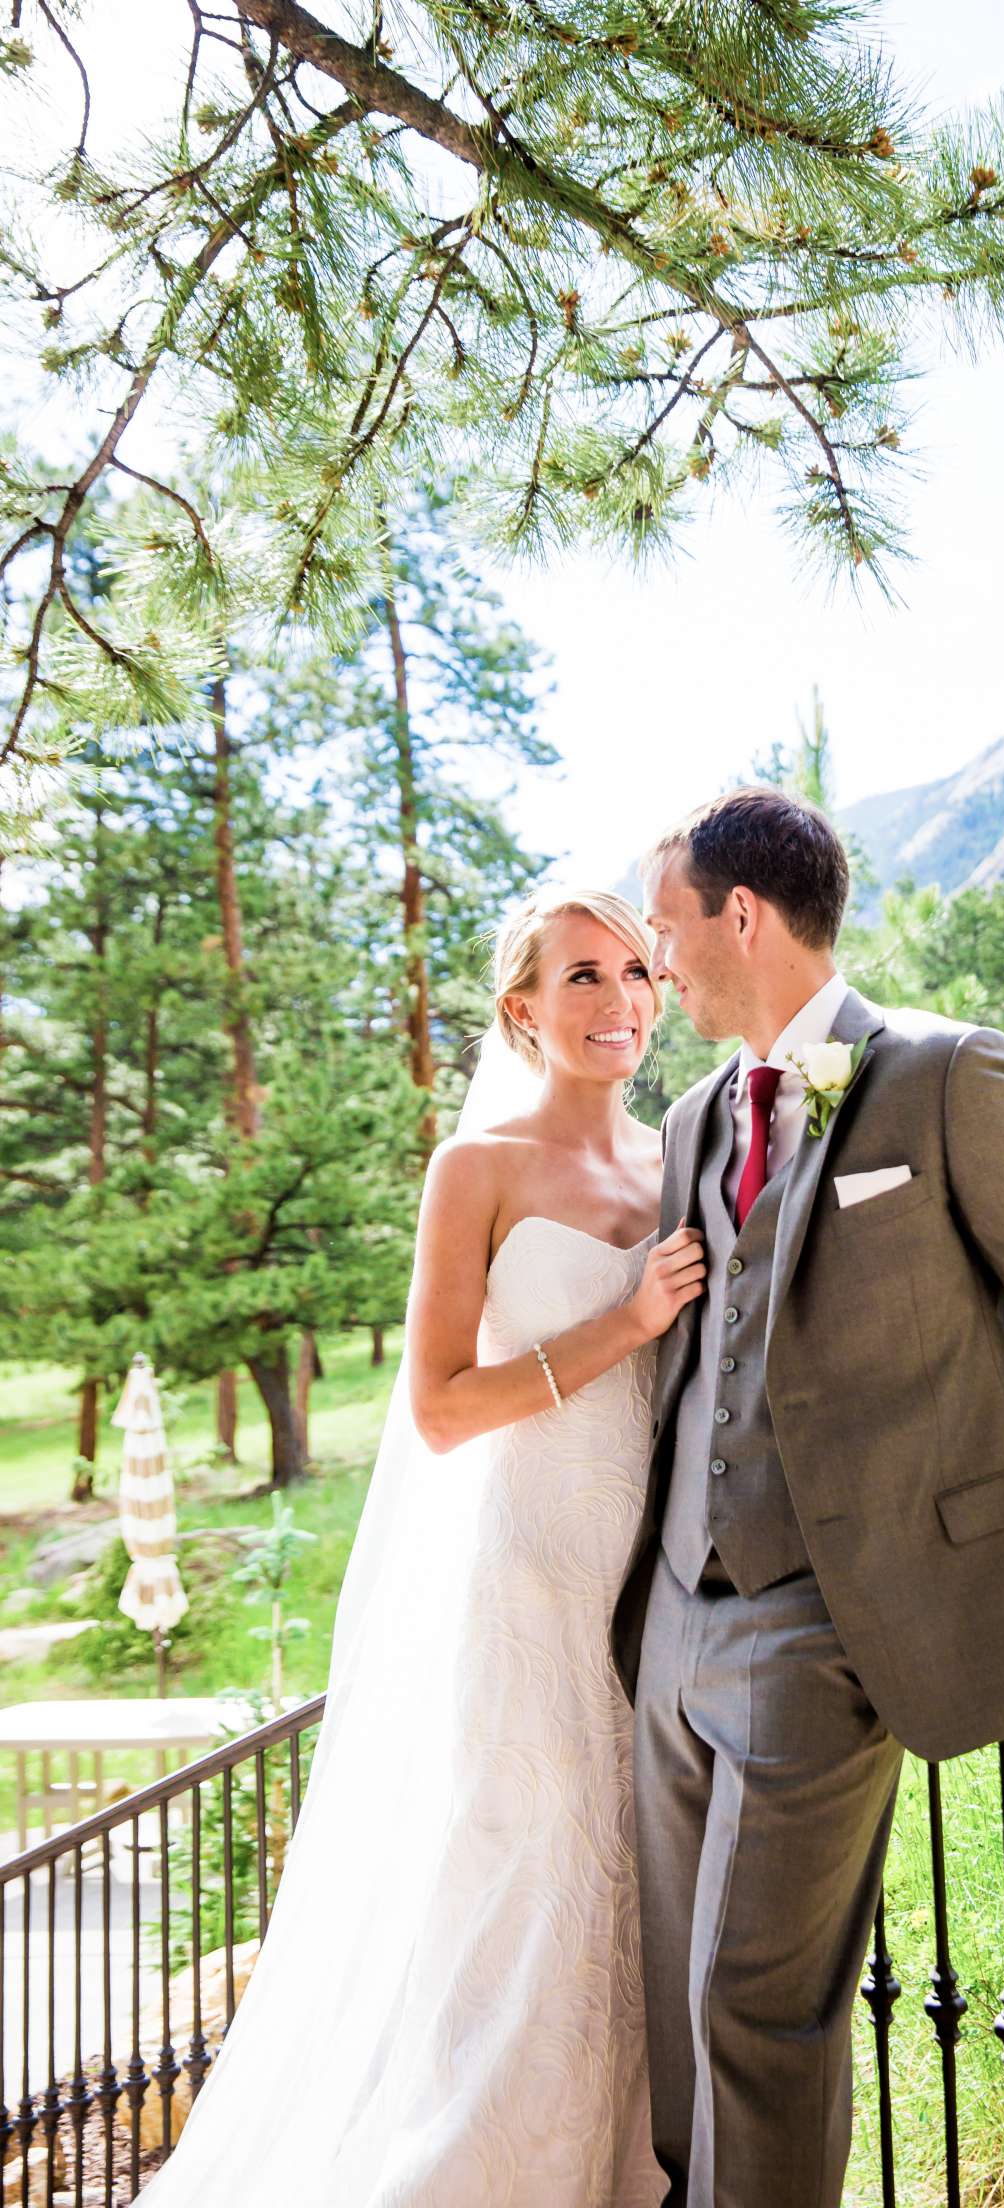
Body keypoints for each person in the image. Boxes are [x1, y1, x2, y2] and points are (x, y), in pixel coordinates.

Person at [613, 787, 1004, 2208]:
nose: (659, 962)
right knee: (676, 2022)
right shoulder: (702, 1114)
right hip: (675, 1627)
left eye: (666, 929)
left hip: (832, 1624)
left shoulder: (949, 1077)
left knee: (750, 2010)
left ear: (744, 917)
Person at [141, 889, 704, 2208]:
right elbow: (440, 1406)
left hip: (657, 1583)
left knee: (632, 1898)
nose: (618, 997)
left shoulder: (676, 1162)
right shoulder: (481, 1171)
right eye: (580, 975)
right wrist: (620, 1326)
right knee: (529, 1887)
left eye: (635, 971)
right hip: (525, 1581)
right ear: (521, 1010)